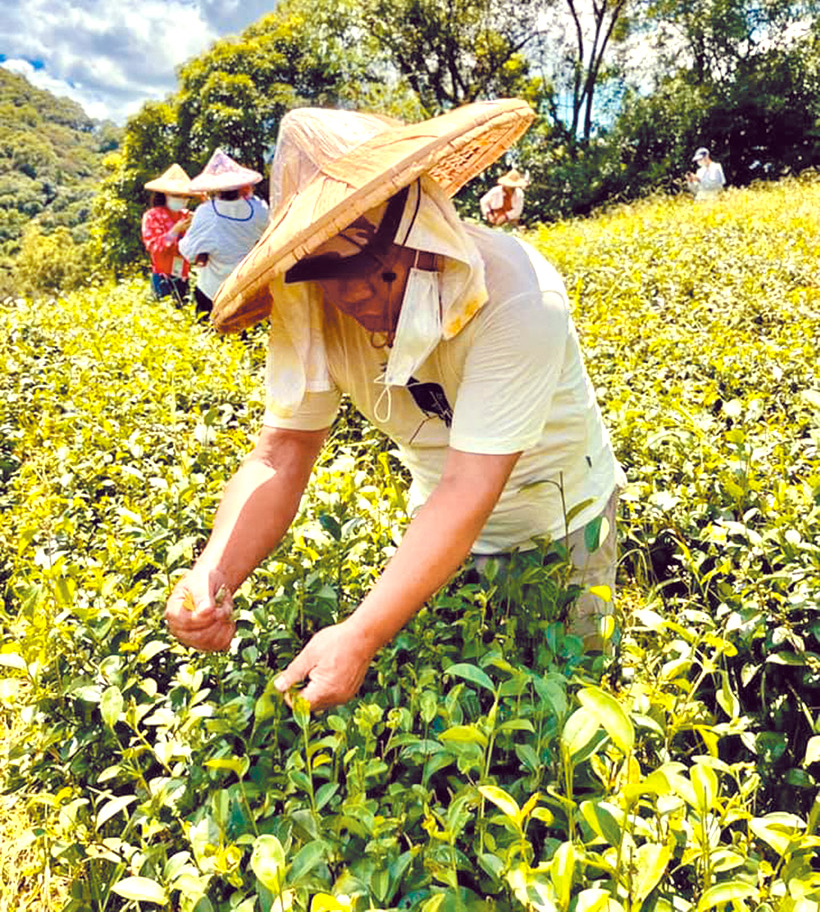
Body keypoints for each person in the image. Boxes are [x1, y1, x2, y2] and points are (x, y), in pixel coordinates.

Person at [164, 101, 624, 711]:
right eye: (324, 269)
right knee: (467, 705)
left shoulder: (517, 295)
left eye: (372, 261)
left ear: (416, 225)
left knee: (570, 700)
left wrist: (361, 634)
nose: (351, 293)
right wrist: (213, 572)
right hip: (435, 534)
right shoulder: (318, 312)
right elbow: (283, 453)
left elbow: (470, 486)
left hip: (563, 521)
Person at [177, 149, 269, 316]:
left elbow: (189, 252)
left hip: (212, 288)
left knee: (212, 338)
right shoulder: (259, 209)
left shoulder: (206, 212)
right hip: (248, 285)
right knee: (248, 339)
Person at [141, 164, 193, 304]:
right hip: (162, 276)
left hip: (183, 275)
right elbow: (154, 246)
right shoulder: (152, 216)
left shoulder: (187, 216)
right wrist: (175, 231)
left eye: (185, 196)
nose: (182, 199)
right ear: (164, 195)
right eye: (176, 195)